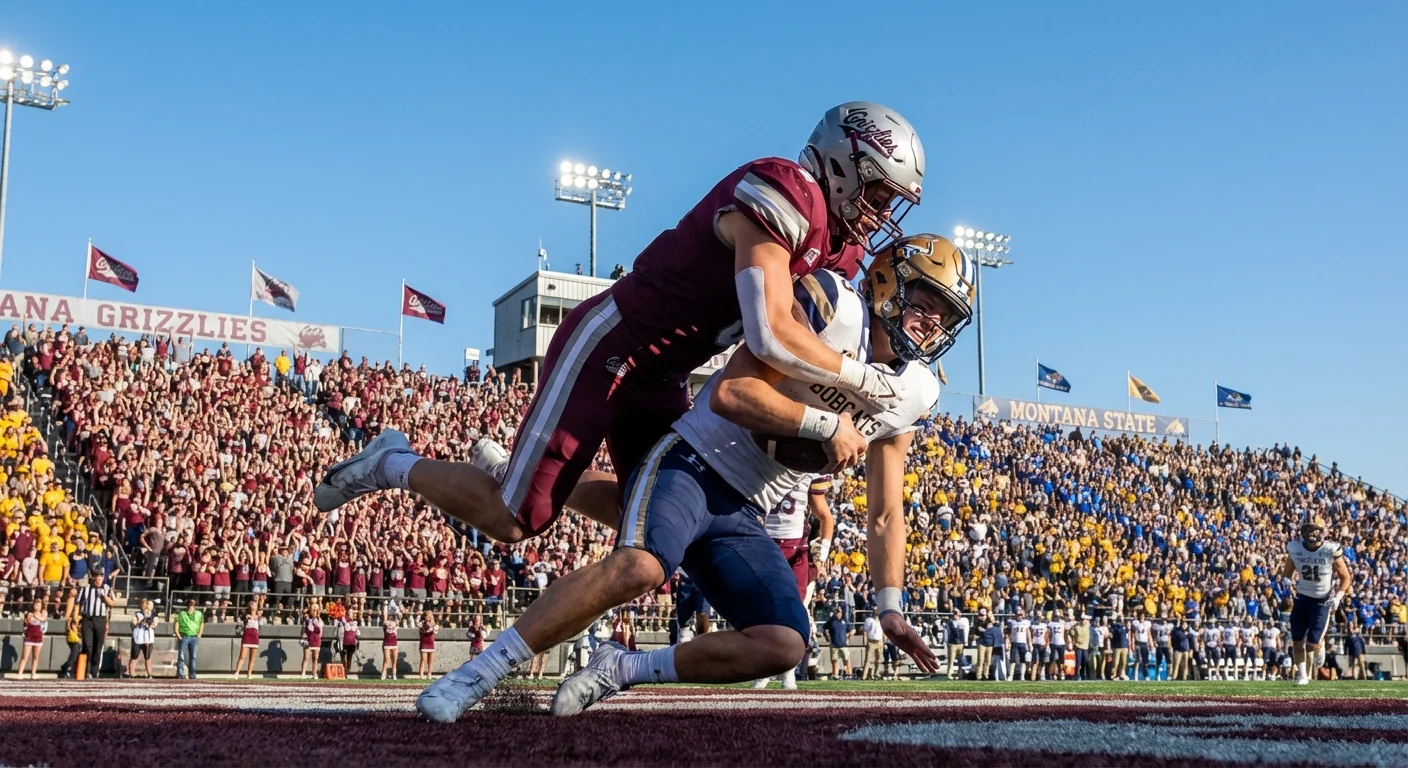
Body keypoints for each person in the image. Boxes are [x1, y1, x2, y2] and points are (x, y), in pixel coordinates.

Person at [315, 102, 926, 554]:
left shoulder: (838, 251)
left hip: (665, 373)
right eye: (876, 188)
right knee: (516, 520)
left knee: (659, 515)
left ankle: (511, 468)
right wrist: (864, 384)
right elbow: (768, 334)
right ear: (844, 161)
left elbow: (826, 334)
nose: (879, 209)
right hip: (614, 343)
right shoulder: (786, 191)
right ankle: (393, 462)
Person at [416, 235, 968, 722]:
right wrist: (825, 423)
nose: (932, 324)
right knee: (641, 565)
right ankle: (475, 676)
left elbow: (885, 509)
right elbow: (733, 393)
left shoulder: (917, 388)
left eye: (946, 316)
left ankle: (624, 667)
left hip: (745, 508)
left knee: (783, 643)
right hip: (694, 458)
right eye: (924, 304)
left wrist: (890, 605)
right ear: (886, 281)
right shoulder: (833, 305)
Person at [1282, 514, 1351, 686]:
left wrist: (1338, 597)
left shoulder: (1330, 549)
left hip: (1321, 600)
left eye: (1314, 529)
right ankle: (1302, 675)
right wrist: (1287, 583)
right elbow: (1286, 574)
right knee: (1297, 638)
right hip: (1302, 598)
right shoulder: (1295, 548)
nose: (1311, 533)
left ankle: (1310, 668)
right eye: (1307, 529)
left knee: (1312, 643)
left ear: (1322, 532)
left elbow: (1346, 578)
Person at [67, 571, 116, 678]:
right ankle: (85, 670)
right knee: (87, 646)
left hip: (100, 620)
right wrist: (75, 618)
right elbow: (78, 604)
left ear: (103, 578)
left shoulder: (107, 588)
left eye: (100, 578)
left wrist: (104, 597)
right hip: (87, 619)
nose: (99, 580)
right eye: (97, 578)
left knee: (98, 647)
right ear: (94, 578)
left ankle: (94, 672)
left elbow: (112, 603)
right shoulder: (86, 589)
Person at [16, 600, 46, 679]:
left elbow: (43, 620)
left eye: (39, 605)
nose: (37, 607)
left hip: (38, 638)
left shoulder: (43, 614)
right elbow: (25, 624)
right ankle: (20, 673)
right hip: (29, 637)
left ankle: (33, 673)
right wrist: (27, 619)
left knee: (36, 657)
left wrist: (36, 616)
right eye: (36, 605)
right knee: (24, 657)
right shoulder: (29, 614)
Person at [175, 599, 204, 680]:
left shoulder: (199, 614)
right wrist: (178, 635)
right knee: (181, 656)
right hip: (184, 636)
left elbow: (201, 623)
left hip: (194, 636)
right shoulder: (182, 613)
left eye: (192, 604)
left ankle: (192, 674)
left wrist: (199, 634)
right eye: (190, 604)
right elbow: (177, 623)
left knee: (193, 657)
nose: (191, 605)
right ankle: (180, 674)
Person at [128, 599, 157, 679]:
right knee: (134, 656)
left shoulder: (153, 615)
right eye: (144, 604)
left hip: (148, 639)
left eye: (147, 604)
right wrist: (139, 620)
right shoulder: (137, 614)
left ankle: (149, 673)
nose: (146, 606)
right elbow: (134, 622)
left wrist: (151, 624)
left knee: (148, 657)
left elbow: (155, 623)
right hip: (138, 638)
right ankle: (131, 673)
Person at [235, 605, 263, 679]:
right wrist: (246, 617)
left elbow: (259, 617)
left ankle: (249, 674)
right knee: (242, 656)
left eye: (255, 605)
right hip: (247, 637)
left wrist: (255, 616)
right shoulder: (246, 616)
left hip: (255, 638)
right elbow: (242, 619)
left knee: (252, 658)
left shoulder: (258, 617)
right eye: (252, 605)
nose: (254, 606)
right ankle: (237, 672)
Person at [299, 600, 324, 679]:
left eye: (316, 610)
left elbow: (320, 632)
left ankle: (314, 673)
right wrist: (303, 638)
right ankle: (303, 673)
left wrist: (319, 638)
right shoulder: (307, 620)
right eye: (313, 610)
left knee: (315, 658)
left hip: (316, 640)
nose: (314, 612)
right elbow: (303, 630)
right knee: (306, 657)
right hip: (308, 640)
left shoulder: (320, 621)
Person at [1007, 607, 1032, 682]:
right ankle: (1010, 676)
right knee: (1012, 660)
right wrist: (1008, 642)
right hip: (1014, 642)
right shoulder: (1012, 622)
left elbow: (1028, 634)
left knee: (1023, 660)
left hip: (1023, 643)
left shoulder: (1026, 622)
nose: (1020, 616)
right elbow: (1008, 633)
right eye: (1018, 615)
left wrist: (1029, 644)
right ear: (1015, 615)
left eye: (1021, 615)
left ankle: (1022, 676)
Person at [861, 611, 885, 681]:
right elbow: (865, 631)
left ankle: (876, 674)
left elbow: (883, 632)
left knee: (878, 660)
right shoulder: (869, 620)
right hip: (871, 642)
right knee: (868, 660)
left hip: (879, 642)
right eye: (875, 613)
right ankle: (864, 676)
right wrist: (865, 642)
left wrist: (884, 642)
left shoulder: (881, 621)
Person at [337, 608, 362, 675]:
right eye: (350, 612)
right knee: (343, 656)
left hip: (352, 643)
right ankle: (343, 670)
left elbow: (358, 634)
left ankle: (347, 671)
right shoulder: (344, 621)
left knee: (349, 657)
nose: (351, 614)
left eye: (352, 612)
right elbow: (340, 631)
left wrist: (356, 638)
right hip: (344, 642)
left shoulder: (355, 623)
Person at [419, 610, 439, 681]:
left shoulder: (434, 624)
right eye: (427, 615)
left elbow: (435, 632)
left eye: (430, 615)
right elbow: (423, 630)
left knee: (430, 660)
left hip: (431, 643)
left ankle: (429, 673)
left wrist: (433, 623)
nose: (428, 617)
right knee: (423, 659)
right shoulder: (422, 623)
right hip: (424, 643)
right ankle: (421, 674)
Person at [382, 607, 400, 681]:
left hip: (394, 644)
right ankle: (383, 674)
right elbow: (385, 618)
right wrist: (385, 607)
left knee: (394, 660)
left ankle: (394, 675)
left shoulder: (396, 623)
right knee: (386, 660)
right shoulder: (386, 623)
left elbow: (399, 618)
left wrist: (398, 613)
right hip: (387, 644)